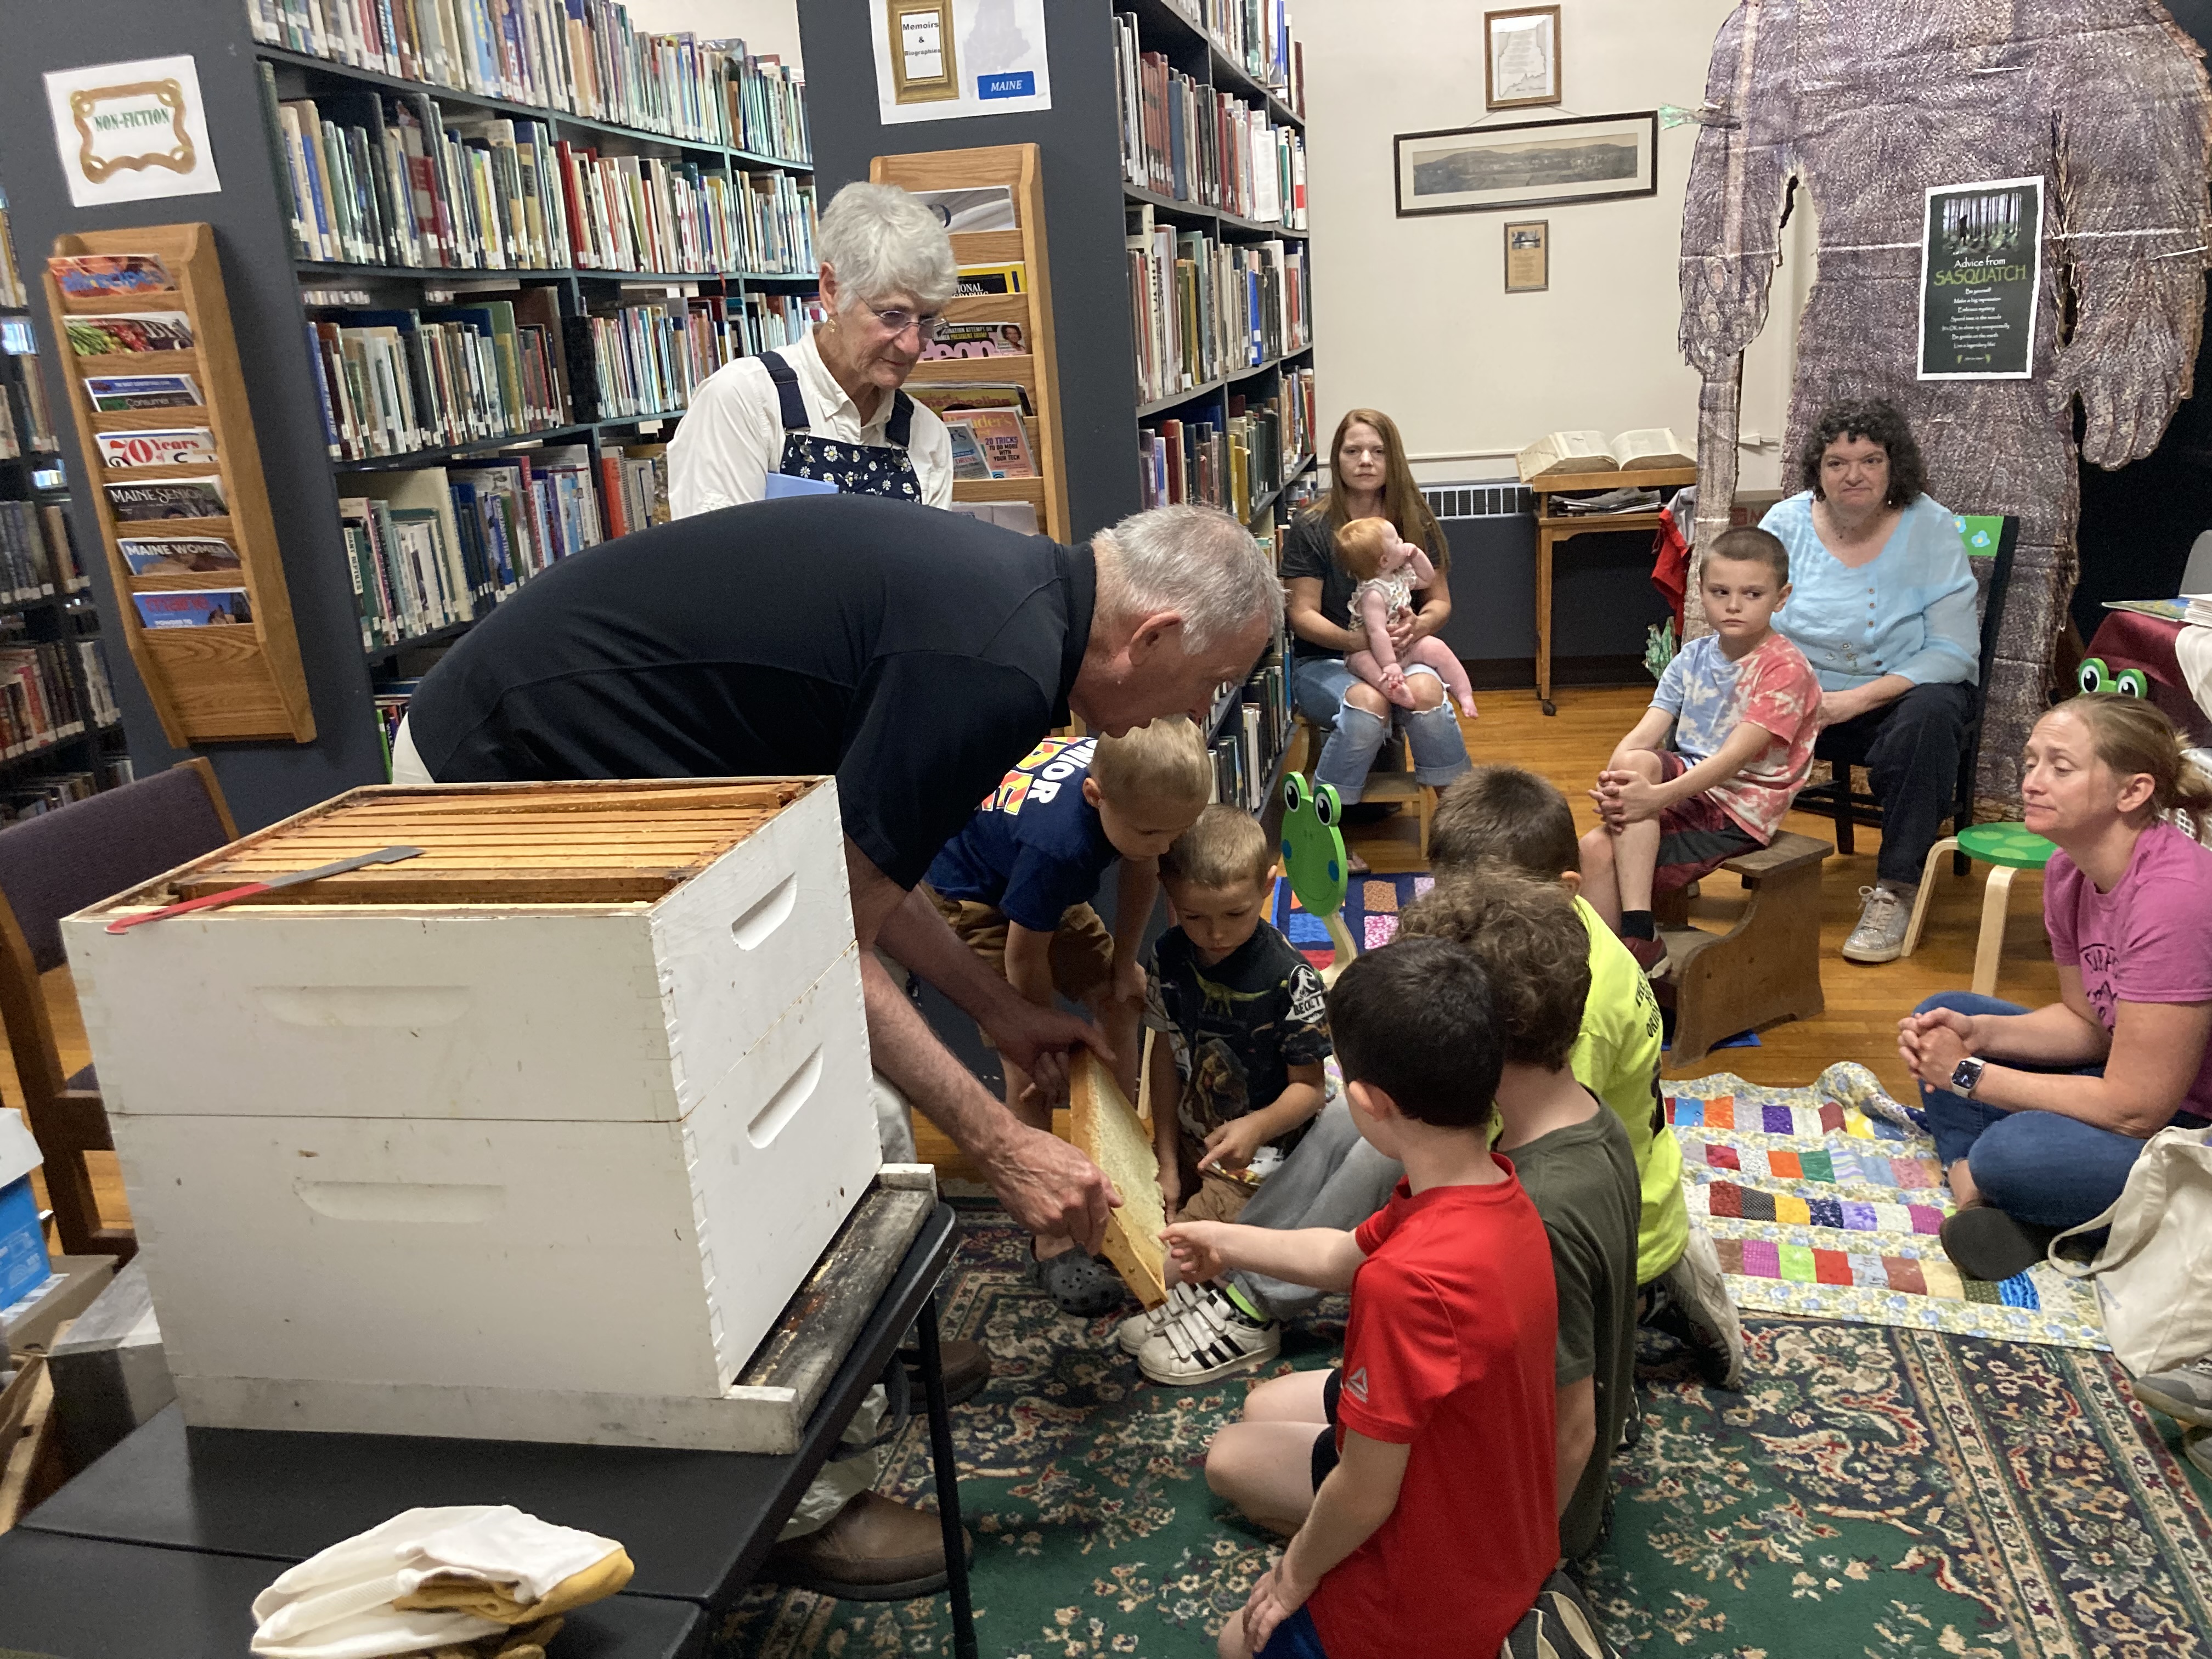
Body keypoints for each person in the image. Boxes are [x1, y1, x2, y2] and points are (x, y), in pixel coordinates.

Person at [389, 495, 1279, 1593]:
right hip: (509, 785)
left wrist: (994, 1010)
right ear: (1151, 638)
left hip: (617, 776)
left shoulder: (1019, 614)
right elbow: (828, 943)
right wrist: (1001, 1144)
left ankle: (862, 1361)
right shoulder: (994, 667)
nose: (1204, 706)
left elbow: (844, 864)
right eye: (1208, 682)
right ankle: (802, 1506)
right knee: (797, 1123)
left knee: (842, 1108)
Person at [1169, 937, 1559, 1659]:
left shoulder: (1404, 1286)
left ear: (1366, 1104)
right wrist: (1223, 1242)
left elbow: (1365, 1491)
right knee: (1258, 1413)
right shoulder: (1495, 1189)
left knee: (1236, 1643)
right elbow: (1339, 1253)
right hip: (1502, 1522)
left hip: (1434, 1588)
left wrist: (1292, 1577)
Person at [1434, 765, 1745, 1390]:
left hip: (1612, 1225)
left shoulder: (1581, 1013)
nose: (1460, 921)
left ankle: (1644, 1303)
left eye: (1485, 909)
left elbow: (1557, 1167)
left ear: (1563, 889)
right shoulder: (1551, 940)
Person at [1897, 694, 2212, 1294]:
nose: (2033, 782)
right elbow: (2088, 1023)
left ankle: (2011, 1196)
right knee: (1949, 1013)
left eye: (2060, 768)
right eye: (2031, 762)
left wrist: (1968, 1076)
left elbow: (2135, 1107)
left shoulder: (2176, 897)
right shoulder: (2070, 870)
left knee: (2011, 1154)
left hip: (2193, 1127)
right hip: (2140, 1089)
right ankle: (2005, 1199)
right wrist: (1978, 1038)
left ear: (2133, 791)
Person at [924, 717, 1214, 1315]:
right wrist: (1041, 1037)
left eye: (1178, 832)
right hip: (977, 897)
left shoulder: (1135, 798)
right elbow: (1023, 953)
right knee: (1028, 1070)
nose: (1167, 845)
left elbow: (1143, 868)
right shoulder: (1064, 843)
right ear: (1094, 796)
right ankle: (1050, 1239)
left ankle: (1124, 1160)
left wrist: (1124, 963)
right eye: (1154, 831)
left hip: (1040, 886)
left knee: (1122, 998)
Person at [1396, 873, 1639, 1567]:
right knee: (1274, 1412)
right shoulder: (1585, 1111)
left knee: (1238, 1460)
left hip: (1524, 1509)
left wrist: (1523, 1563)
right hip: (1493, 1424)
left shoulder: (1537, 1208)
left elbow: (1573, 1433)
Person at [1760, 398, 1980, 964]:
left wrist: (1854, 699)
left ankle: (1896, 890)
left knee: (1932, 717)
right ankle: (1696, 853)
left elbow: (1953, 651)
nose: (1852, 475)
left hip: (1899, 694)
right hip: (1801, 690)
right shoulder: (1784, 524)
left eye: (1870, 460)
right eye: (1837, 462)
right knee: (1700, 692)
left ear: (1893, 467)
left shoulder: (1929, 525)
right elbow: (1749, 615)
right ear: (1818, 469)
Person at [1115, 806, 1330, 1383]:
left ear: (1267, 885)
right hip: (1193, 1134)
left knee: (1171, 1261)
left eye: (1236, 914)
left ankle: (1225, 1304)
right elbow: (1163, 1054)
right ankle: (1195, 1289)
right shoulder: (1167, 954)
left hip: (1262, 1156)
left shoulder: (1291, 978)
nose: (1215, 934)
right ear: (1168, 893)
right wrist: (1164, 1158)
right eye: (1194, 916)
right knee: (1147, 1237)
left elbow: (1310, 1092)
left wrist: (1256, 1126)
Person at [1578, 527, 1821, 979]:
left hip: (1741, 804)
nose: (1733, 605)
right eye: (1720, 592)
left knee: (1599, 849)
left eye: (1752, 593)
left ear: (1781, 597)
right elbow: (1643, 735)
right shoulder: (1693, 656)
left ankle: (1631, 946)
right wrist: (1613, 782)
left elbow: (1734, 759)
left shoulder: (1785, 668)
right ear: (1701, 593)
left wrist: (1655, 798)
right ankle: (1622, 958)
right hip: (1690, 783)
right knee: (1608, 815)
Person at [666, 182, 957, 514]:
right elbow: (715, 558)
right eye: (892, 315)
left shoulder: (925, 434)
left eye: (928, 319)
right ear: (832, 290)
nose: (911, 344)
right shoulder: (745, 403)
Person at [1282, 411, 1471, 865]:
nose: (1365, 460)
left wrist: (1418, 626)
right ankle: (1323, 830)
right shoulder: (1312, 527)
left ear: (1394, 458)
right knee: (1370, 705)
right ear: (1338, 459)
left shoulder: (1414, 520)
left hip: (1403, 653)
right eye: (1353, 451)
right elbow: (1300, 614)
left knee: (1426, 692)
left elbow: (1439, 602)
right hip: (1326, 661)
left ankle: (1465, 828)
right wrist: (1359, 642)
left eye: (1377, 451)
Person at [1334, 520, 1479, 719]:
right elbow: (1377, 633)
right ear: (1385, 561)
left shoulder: (1399, 576)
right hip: (1372, 651)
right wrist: (1389, 665)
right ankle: (1394, 691)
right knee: (1364, 663)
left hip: (1403, 645)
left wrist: (1417, 554)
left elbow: (1428, 579)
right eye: (1397, 541)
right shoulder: (1372, 595)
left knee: (1438, 649)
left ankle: (1464, 694)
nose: (1403, 542)